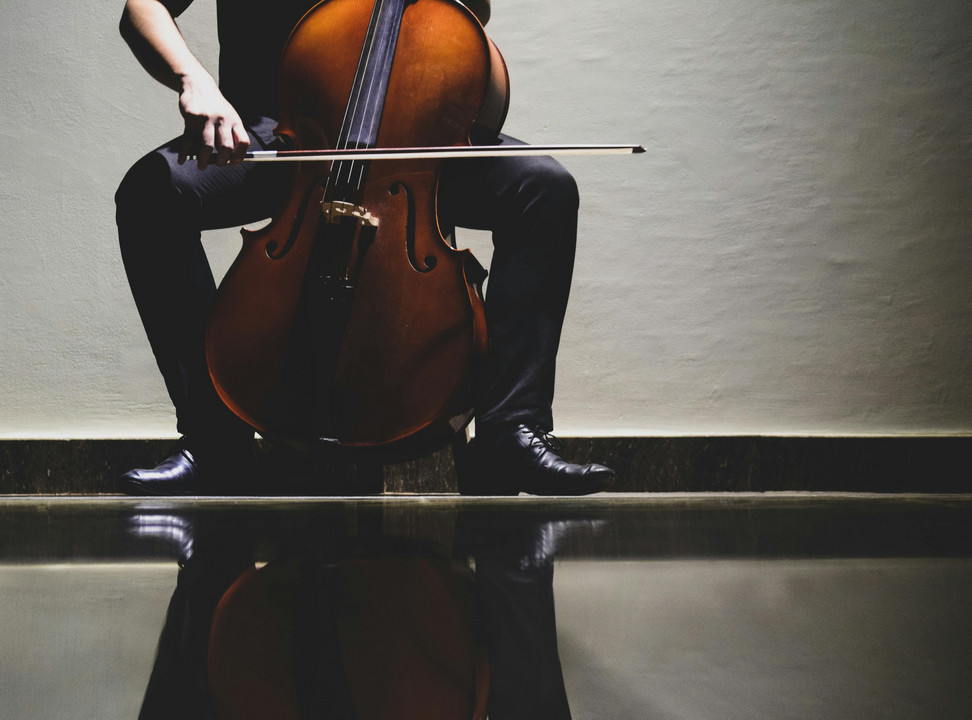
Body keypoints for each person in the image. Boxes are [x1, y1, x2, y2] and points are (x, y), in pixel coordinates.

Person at [114, 0, 614, 496]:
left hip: (404, 128)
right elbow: (143, 6)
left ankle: (511, 435)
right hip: (283, 133)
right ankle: (216, 443)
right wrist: (193, 80)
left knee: (544, 187)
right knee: (150, 195)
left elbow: (473, 10)